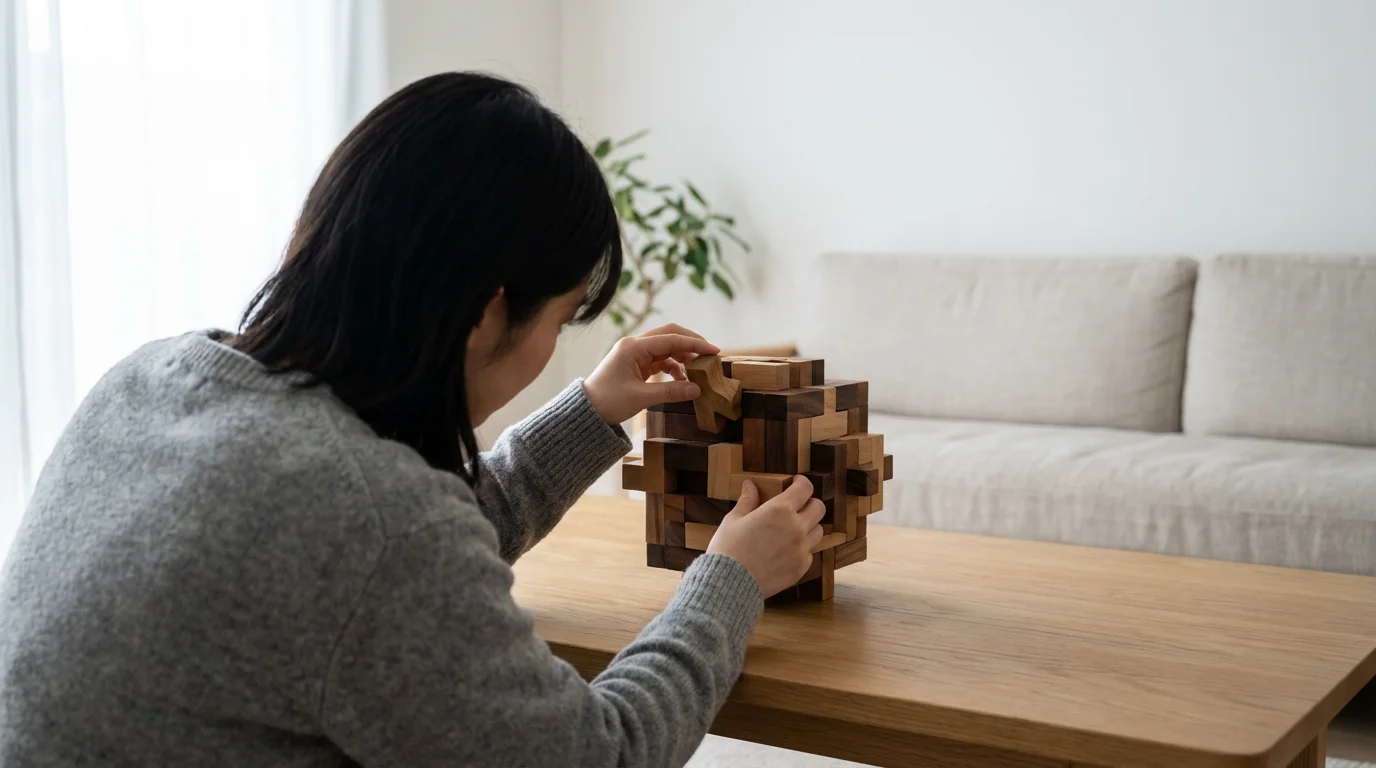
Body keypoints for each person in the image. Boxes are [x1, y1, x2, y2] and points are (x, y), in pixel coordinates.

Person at [0, 72, 825, 766]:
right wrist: (729, 584)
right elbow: (603, 753)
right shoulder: (367, 522)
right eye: (562, 319)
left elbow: (379, 554)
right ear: (484, 313)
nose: (554, 348)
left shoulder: (150, 377)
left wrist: (591, 411)